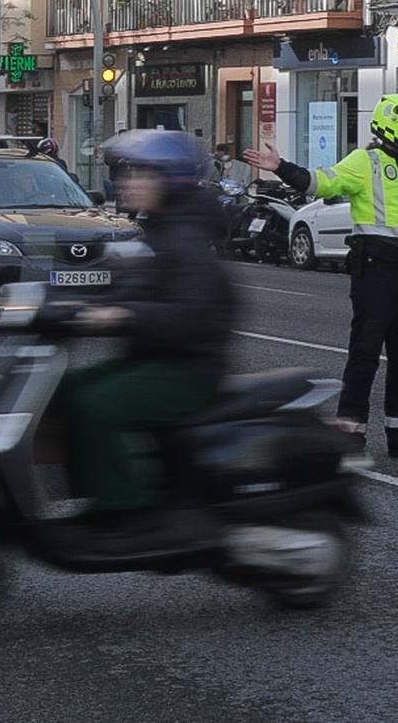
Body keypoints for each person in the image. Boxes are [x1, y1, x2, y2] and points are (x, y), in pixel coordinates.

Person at [48, 129, 237, 551]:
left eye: (139, 173)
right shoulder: (159, 228)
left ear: (169, 180)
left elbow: (189, 314)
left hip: (188, 370)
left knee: (96, 404)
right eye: (125, 172)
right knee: (64, 390)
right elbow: (129, 285)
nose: (126, 182)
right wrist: (66, 304)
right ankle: (99, 494)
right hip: (153, 359)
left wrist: (124, 314)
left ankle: (125, 512)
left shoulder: (186, 238)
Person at [244, 93, 398, 462]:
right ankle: (351, 431)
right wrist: (282, 167)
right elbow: (321, 183)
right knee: (365, 353)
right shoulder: (364, 162)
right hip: (376, 274)